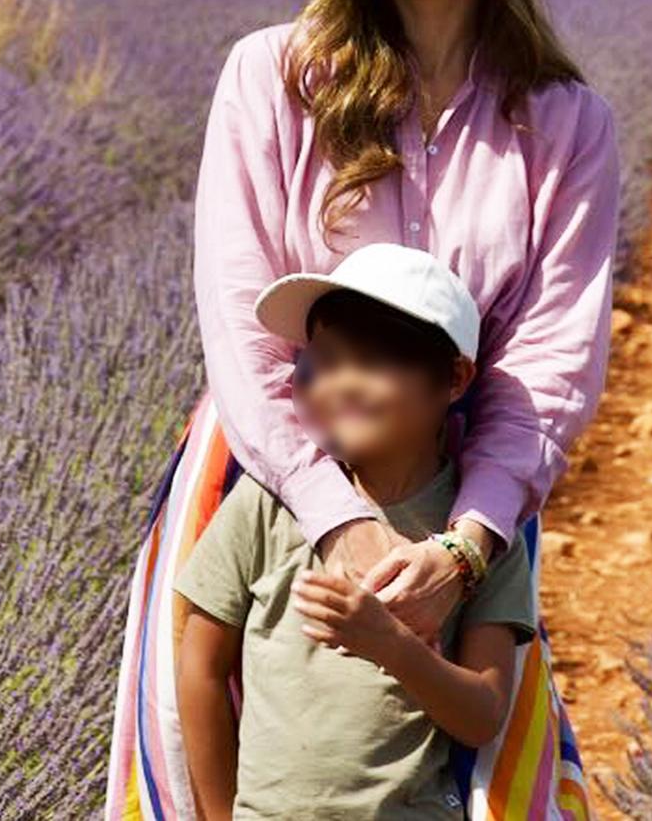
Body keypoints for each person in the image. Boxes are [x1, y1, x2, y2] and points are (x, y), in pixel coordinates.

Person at [105, 0, 619, 820]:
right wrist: (338, 519)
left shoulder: (565, 122)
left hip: (462, 484)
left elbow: (548, 362)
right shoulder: (270, 81)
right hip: (269, 476)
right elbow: (242, 327)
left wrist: (464, 545)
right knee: (217, 759)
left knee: (467, 784)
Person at [175, 243, 536, 820]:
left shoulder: (476, 542)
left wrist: (389, 646)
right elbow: (200, 664)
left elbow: (483, 713)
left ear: (455, 378)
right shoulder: (268, 505)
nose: (338, 383)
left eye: (370, 360)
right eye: (321, 362)